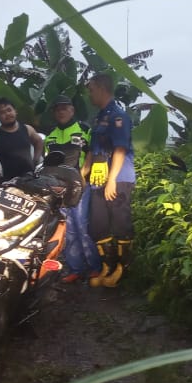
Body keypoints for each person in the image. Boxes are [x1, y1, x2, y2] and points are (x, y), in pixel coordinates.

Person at [84, 73, 135, 287]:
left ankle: (123, 270)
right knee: (98, 225)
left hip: (118, 177)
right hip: (98, 178)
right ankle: (107, 266)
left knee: (121, 224)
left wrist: (112, 180)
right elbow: (93, 149)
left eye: (91, 90)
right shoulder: (99, 118)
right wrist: (83, 174)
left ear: (101, 89)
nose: (89, 94)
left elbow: (120, 148)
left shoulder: (118, 116)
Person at [43, 95, 101, 283]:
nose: (61, 111)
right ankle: (75, 268)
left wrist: (84, 174)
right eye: (58, 109)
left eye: (65, 108)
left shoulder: (84, 129)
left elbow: (92, 151)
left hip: (80, 186)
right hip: (59, 188)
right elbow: (46, 162)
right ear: (54, 112)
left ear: (72, 110)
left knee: (83, 226)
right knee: (67, 229)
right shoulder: (50, 135)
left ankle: (95, 266)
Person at [0, 97, 43, 181]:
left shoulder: (27, 129)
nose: (7, 114)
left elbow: (38, 141)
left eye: (9, 110)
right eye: (2, 112)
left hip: (29, 181)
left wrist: (36, 159)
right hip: (6, 185)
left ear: (15, 111)